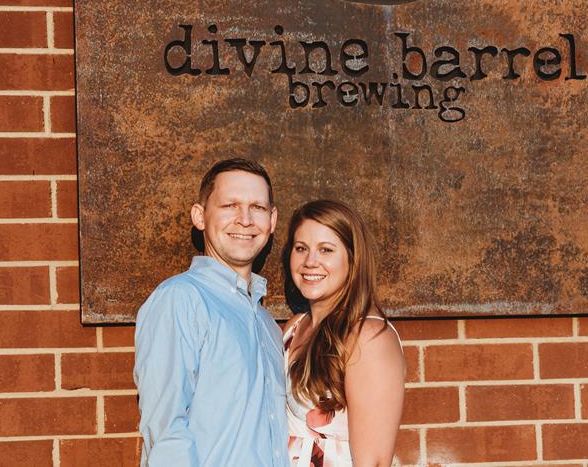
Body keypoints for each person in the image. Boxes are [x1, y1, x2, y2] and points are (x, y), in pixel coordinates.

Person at [133, 158, 288, 466]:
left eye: (257, 207)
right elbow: (166, 430)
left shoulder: (266, 323)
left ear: (271, 220)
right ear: (200, 216)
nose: (245, 220)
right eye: (230, 205)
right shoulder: (180, 299)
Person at [281, 200, 406, 467]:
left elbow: (374, 461)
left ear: (352, 258)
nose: (310, 262)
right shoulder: (295, 327)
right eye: (301, 248)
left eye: (326, 250)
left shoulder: (367, 336)